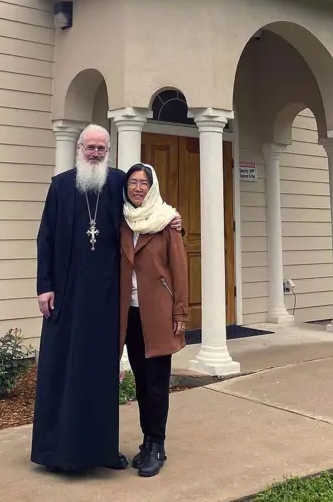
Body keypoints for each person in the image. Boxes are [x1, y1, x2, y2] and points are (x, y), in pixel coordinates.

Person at [31, 125, 181, 474]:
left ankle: (101, 450)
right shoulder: (61, 185)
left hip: (107, 300)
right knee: (66, 370)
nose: (95, 153)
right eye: (90, 147)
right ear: (79, 148)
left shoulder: (118, 183)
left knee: (100, 373)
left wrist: (173, 219)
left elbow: (147, 212)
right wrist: (44, 286)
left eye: (101, 148)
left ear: (109, 150)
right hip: (67, 297)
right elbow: (46, 239)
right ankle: (59, 449)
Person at [120, 162, 188, 478]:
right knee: (141, 382)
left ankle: (157, 444)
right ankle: (146, 440)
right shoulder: (122, 221)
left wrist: (180, 313)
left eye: (143, 183)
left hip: (158, 316)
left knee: (157, 383)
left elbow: (180, 271)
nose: (137, 188)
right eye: (132, 182)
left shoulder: (166, 222)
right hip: (130, 316)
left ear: (152, 186)